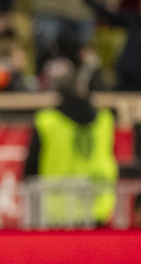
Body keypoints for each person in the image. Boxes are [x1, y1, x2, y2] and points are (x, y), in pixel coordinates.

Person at [23, 54, 118, 226]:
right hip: (98, 206)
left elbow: (31, 169)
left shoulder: (47, 121)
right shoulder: (105, 119)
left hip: (58, 210)